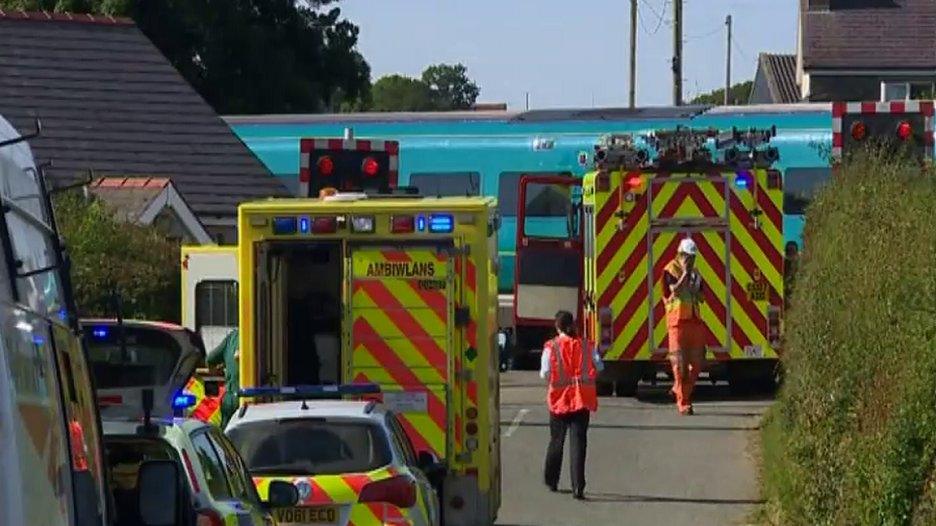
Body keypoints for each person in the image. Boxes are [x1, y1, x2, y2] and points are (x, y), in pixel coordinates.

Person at [540, 311, 602, 500]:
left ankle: (552, 480)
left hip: (559, 401)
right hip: (581, 400)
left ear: (557, 327)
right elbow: (599, 366)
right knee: (579, 444)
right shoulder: (586, 345)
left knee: (556, 441)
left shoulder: (551, 347)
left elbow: (544, 372)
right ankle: (578, 487)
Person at [662, 237, 705, 416]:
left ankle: (679, 389)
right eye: (689, 257)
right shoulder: (670, 270)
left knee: (696, 365)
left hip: (694, 322)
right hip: (677, 324)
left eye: (693, 257)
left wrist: (695, 287)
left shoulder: (696, 273)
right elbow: (674, 291)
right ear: (681, 255)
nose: (691, 261)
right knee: (679, 365)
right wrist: (685, 275)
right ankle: (683, 402)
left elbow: (702, 297)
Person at [206, 328, 240, 428]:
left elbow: (210, 360)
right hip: (250, 399)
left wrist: (220, 370)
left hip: (230, 398)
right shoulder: (260, 335)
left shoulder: (232, 337)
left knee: (227, 436)